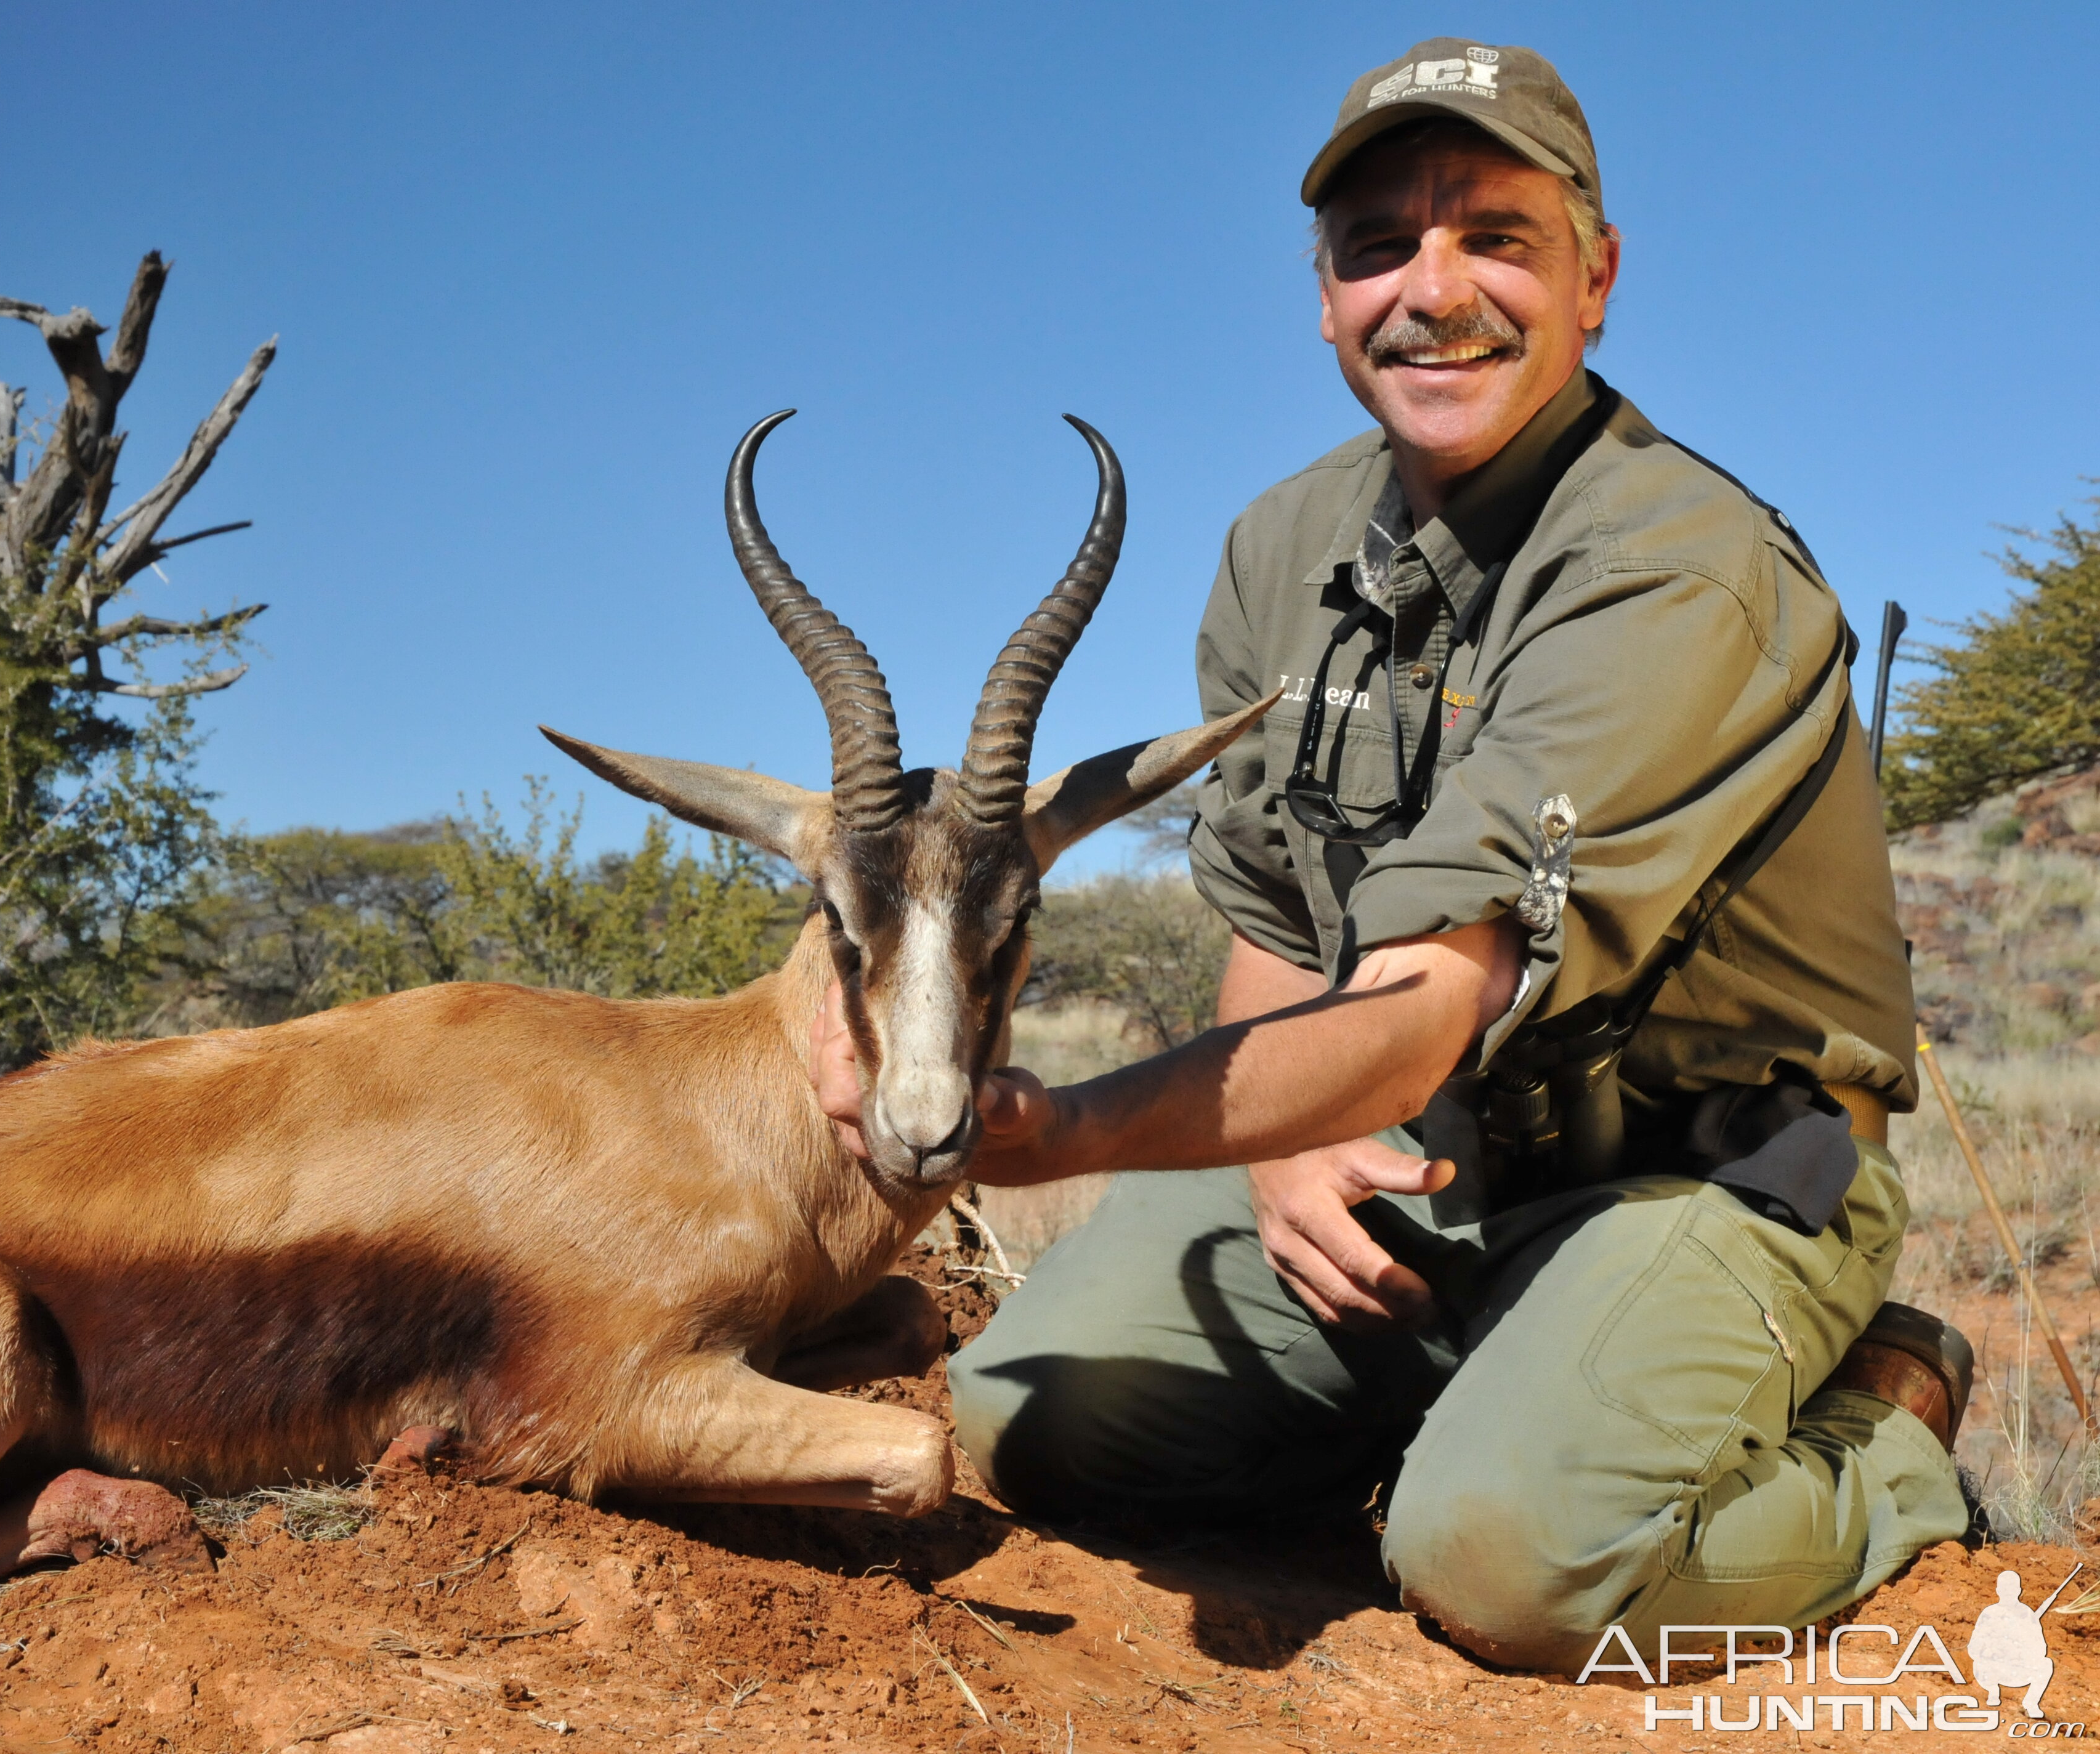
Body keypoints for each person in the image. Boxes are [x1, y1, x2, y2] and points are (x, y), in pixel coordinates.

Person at [815, 38, 1976, 1670]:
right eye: (1379, 248)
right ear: (1324, 297)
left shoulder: (1677, 570)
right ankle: (1470, 1407)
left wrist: (1069, 1129)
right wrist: (1285, 1157)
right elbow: (1281, 917)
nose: (1431, 293)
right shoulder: (1282, 548)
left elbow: (1432, 998)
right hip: (1429, 1163)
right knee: (1027, 1413)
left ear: (1597, 276)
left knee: (1513, 1575)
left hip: (1707, 1180)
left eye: (1494, 236)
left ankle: (1890, 1432)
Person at [1969, 1570, 2059, 1719]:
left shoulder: (2027, 1614)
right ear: (1998, 1591)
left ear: (2019, 1591)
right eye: (2004, 1589)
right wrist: (1992, 1650)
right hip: (1993, 1670)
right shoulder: (1989, 1613)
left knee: (2046, 1664)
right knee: (1979, 1664)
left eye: (2012, 1589)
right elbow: (1974, 1648)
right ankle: (1993, 1692)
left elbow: (2041, 1648)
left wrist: (2023, 1647)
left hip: (2019, 1670)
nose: (2008, 1593)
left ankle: (2031, 1703)